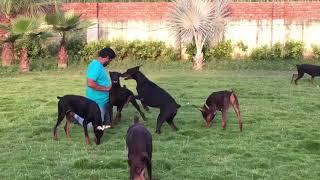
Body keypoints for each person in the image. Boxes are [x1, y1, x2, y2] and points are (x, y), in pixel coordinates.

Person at [73, 47, 116, 129]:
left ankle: (99, 117)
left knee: (106, 125)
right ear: (107, 57)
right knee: (92, 126)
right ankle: (76, 116)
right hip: (96, 102)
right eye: (110, 60)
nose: (110, 62)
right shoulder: (96, 66)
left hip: (104, 101)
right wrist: (107, 89)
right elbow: (90, 83)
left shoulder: (100, 66)